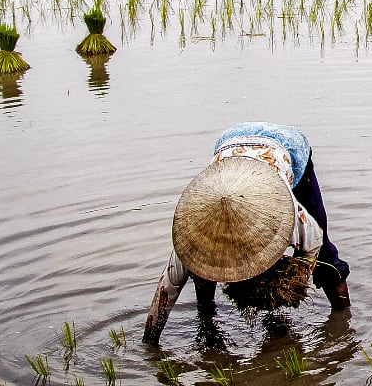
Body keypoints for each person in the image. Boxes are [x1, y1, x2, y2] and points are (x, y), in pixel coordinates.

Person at [142, 122, 350, 344]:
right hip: (229, 145)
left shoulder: (288, 213)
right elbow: (166, 292)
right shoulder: (192, 238)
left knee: (327, 259)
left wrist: (294, 281)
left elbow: (314, 245)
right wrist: (150, 342)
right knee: (201, 270)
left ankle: (343, 320)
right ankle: (207, 323)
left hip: (288, 146)